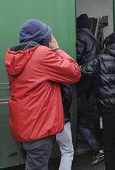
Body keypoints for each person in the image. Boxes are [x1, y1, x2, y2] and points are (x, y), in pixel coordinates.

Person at [5, 19, 82, 170]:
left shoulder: (14, 57)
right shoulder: (41, 54)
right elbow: (75, 73)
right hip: (38, 130)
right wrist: (57, 49)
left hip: (22, 129)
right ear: (43, 39)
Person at [81, 31, 115, 170]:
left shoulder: (100, 58)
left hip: (107, 109)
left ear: (109, 43)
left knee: (109, 145)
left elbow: (84, 71)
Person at [75, 14, 104, 164]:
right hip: (95, 86)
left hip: (86, 83)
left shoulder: (80, 37)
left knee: (82, 123)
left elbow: (77, 57)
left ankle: (97, 149)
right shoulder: (94, 39)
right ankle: (103, 147)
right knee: (96, 119)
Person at [56, 83, 75, 170]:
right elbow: (67, 93)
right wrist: (64, 109)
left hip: (43, 119)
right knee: (67, 151)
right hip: (60, 118)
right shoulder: (59, 70)